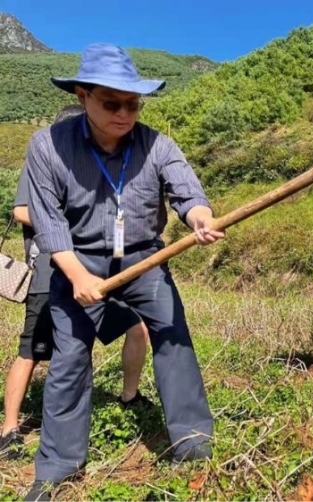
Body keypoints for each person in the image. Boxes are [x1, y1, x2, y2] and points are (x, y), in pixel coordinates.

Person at [23, 44, 224, 501]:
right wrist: (78, 277)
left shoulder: (158, 145)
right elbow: (49, 224)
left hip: (143, 259)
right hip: (77, 260)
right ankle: (57, 467)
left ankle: (194, 446)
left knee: (173, 339)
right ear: (82, 97)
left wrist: (200, 219)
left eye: (132, 104)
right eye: (111, 103)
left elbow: (188, 194)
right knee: (70, 358)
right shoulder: (48, 146)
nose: (124, 114)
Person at [0, 105, 150, 462]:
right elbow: (20, 210)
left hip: (96, 275)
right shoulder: (42, 161)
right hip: (49, 275)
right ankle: (9, 428)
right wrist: (69, 217)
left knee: (137, 328)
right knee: (32, 353)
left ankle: (129, 396)